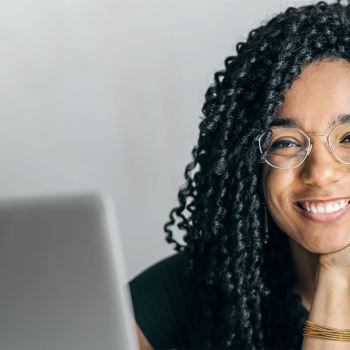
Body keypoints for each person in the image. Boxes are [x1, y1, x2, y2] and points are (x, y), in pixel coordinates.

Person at [129, 1, 350, 349]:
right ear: (252, 163)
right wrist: (336, 279)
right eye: (288, 142)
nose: (321, 172)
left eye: (349, 138)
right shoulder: (199, 288)